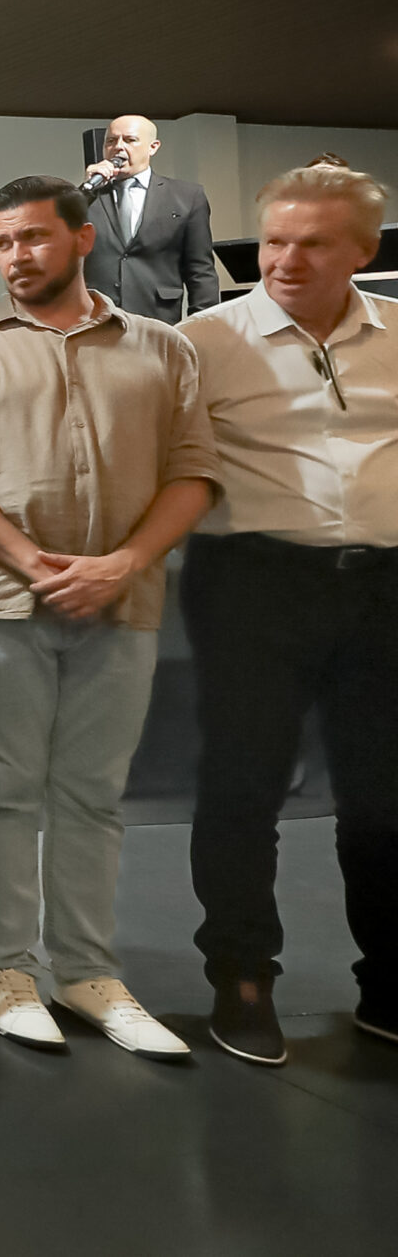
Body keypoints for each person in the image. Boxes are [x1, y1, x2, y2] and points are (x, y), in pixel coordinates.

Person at [0, 174, 218, 1058]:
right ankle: (6, 971)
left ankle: (88, 973)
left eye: (34, 237)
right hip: (1, 603)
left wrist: (122, 563)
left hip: (123, 601)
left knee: (93, 795)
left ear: (84, 239)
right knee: (6, 792)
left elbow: (194, 471)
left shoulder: (163, 348)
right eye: (3, 242)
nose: (16, 256)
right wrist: (36, 565)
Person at [179, 164, 397, 1063]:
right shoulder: (201, 343)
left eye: (313, 243)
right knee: (243, 791)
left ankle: (389, 984)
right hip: (252, 583)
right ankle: (242, 981)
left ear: (364, 250)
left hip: (385, 590)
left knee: (385, 798)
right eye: (275, 240)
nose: (286, 259)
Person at [81, 114, 218, 323]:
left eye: (129, 140)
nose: (118, 147)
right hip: (97, 318)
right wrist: (86, 191)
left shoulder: (187, 196)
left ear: (153, 147)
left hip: (158, 317)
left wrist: (202, 326)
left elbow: (200, 270)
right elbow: (58, 236)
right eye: (111, 141)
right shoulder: (87, 197)